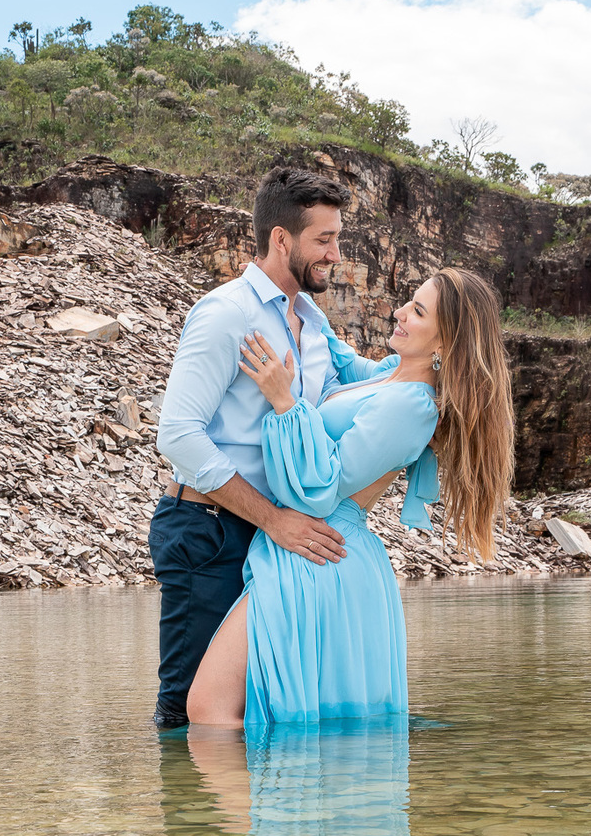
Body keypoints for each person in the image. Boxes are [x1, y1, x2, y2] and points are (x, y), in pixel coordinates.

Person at [186, 267, 515, 730]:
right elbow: (330, 345)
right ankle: (277, 798)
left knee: (210, 709)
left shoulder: (412, 406)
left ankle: (259, 799)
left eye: (418, 311)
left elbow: (324, 488)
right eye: (408, 300)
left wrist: (285, 400)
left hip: (321, 547)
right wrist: (290, 291)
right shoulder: (387, 377)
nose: (399, 313)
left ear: (445, 344)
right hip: (308, 547)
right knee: (248, 711)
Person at [149, 166, 353, 728]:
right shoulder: (226, 314)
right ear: (281, 239)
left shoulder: (314, 324)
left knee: (257, 705)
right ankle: (190, 814)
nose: (335, 254)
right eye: (324, 240)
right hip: (209, 532)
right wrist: (274, 521)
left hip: (274, 536)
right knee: (192, 712)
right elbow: (178, 435)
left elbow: (343, 399)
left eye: (337, 238)